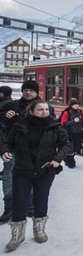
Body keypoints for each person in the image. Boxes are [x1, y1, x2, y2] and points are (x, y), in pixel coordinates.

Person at [1, 99, 71, 252]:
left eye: (46, 109)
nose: (44, 112)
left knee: (41, 199)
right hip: (22, 170)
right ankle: (17, 234)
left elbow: (66, 144)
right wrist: (5, 151)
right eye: (40, 109)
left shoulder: (55, 127)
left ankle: (39, 229)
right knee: (19, 201)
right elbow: (8, 142)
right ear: (31, 111)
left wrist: (57, 160)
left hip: (45, 170)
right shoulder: (19, 126)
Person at [0, 80, 53, 224]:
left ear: (37, 92)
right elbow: (3, 128)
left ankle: (29, 206)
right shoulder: (10, 106)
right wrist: (5, 118)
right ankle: (9, 208)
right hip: (15, 148)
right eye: (25, 90)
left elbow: (53, 127)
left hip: (37, 151)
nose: (28, 92)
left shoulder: (45, 107)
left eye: (31, 90)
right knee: (10, 178)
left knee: (33, 178)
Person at [58, 98, 83, 168]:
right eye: (75, 104)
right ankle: (70, 162)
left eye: (78, 104)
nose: (77, 105)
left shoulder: (80, 112)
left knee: (77, 148)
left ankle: (68, 160)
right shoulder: (67, 112)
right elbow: (63, 124)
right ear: (71, 105)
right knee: (70, 149)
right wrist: (73, 121)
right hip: (69, 134)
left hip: (78, 133)